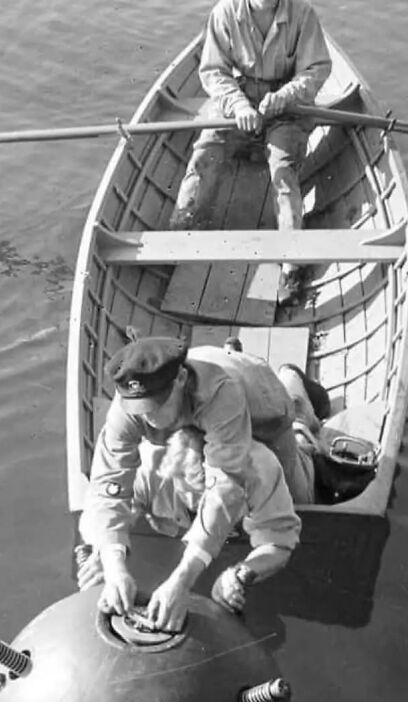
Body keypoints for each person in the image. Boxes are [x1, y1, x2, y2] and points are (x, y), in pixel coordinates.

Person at [76, 334, 325, 630]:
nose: (149, 417)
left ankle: (293, 385)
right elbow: (107, 487)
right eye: (140, 408)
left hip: (258, 409)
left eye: (156, 405)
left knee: (298, 491)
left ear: (180, 379)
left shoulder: (222, 394)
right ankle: (229, 352)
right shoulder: (130, 406)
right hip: (197, 433)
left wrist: (182, 580)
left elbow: (225, 487)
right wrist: (111, 559)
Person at [169, 0, 332, 306]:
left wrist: (284, 97)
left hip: (287, 108)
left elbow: (316, 70)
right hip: (237, 102)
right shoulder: (224, 13)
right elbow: (214, 72)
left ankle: (291, 266)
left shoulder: (303, 15)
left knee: (283, 172)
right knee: (205, 154)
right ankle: (181, 229)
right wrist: (239, 105)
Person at [77, 425, 302, 622]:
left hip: (284, 468)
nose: (202, 507)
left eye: (212, 500)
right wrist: (105, 556)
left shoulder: (260, 468)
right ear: (172, 472)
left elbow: (279, 542)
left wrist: (239, 574)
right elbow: (100, 511)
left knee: (303, 465)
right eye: (193, 493)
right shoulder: (149, 465)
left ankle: (300, 410)